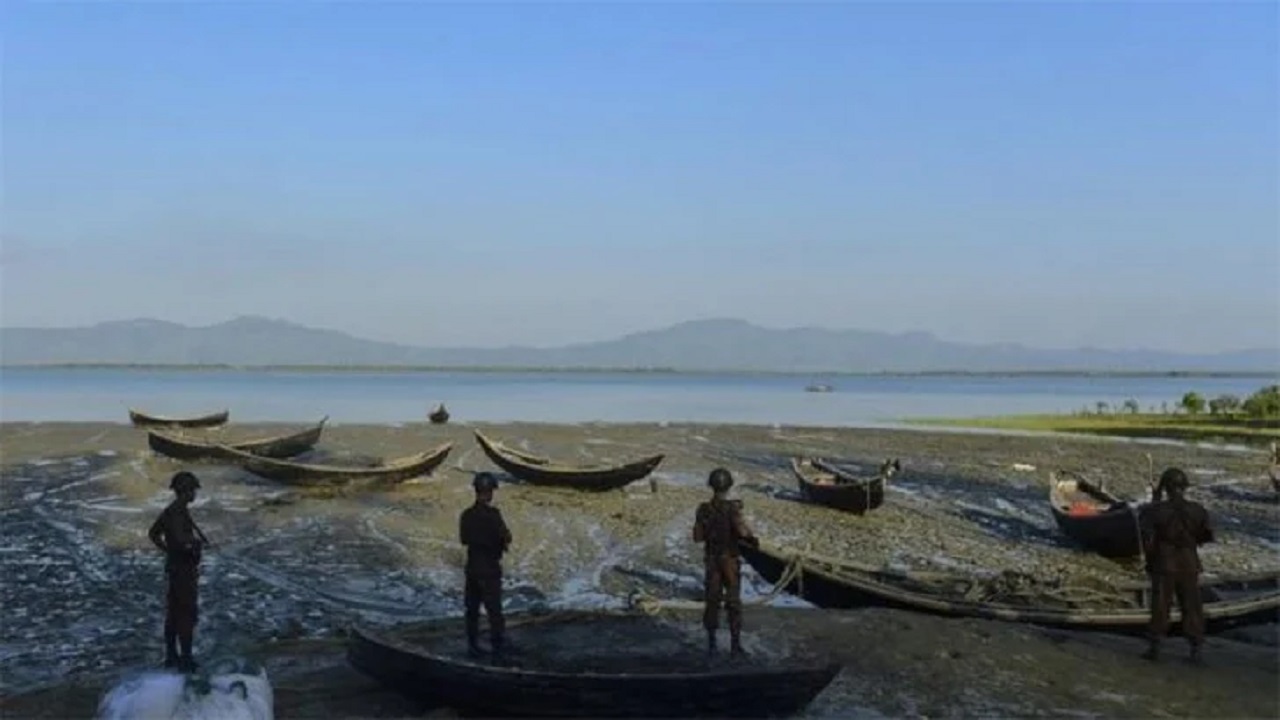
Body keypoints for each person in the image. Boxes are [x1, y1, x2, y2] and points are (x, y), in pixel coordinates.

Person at [1139, 467, 1215, 663]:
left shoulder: (1155, 510)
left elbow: (1146, 534)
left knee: (1160, 605)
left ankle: (1155, 647)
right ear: (1184, 487)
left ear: (1165, 487)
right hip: (1189, 563)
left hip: (1164, 563)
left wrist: (1155, 499)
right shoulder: (1198, 510)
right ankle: (1196, 649)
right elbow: (1206, 535)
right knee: (1192, 606)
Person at [692, 467, 759, 656]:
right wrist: (754, 540)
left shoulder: (703, 509)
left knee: (712, 601)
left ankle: (711, 644)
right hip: (729, 561)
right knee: (733, 603)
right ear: (729, 486)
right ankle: (735, 646)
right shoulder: (732, 509)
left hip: (711, 561)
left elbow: (697, 536)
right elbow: (743, 533)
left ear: (711, 486)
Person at [148, 471, 206, 672]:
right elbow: (182, 542)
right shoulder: (177, 514)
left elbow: (153, 534)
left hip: (176, 568)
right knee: (186, 614)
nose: (195, 494)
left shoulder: (172, 511)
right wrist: (194, 545)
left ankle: (172, 656)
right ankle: (185, 659)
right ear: (187, 491)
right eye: (193, 490)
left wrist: (168, 551)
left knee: (174, 614)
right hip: (183, 571)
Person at [459, 472, 512, 658]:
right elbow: (506, 537)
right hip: (489, 567)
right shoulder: (493, 515)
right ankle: (497, 647)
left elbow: (464, 539)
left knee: (472, 609)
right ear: (490, 493)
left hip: (472, 566)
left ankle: (472, 645)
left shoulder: (466, 515)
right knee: (494, 610)